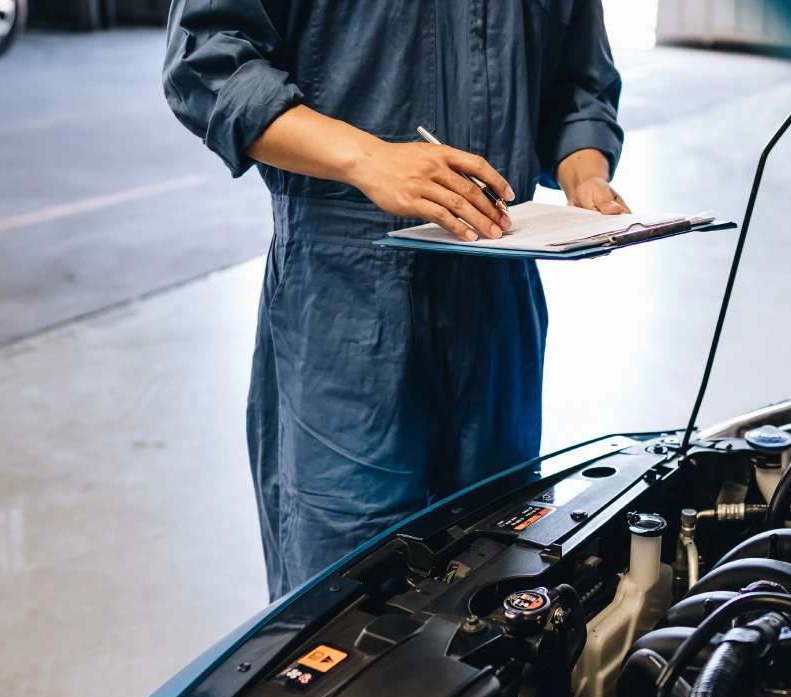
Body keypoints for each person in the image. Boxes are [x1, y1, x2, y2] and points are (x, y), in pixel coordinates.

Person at [163, 1, 627, 600]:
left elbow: (578, 84)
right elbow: (208, 61)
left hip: (496, 283)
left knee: (501, 565)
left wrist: (584, 174)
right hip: (345, 292)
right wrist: (366, 157)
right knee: (347, 588)